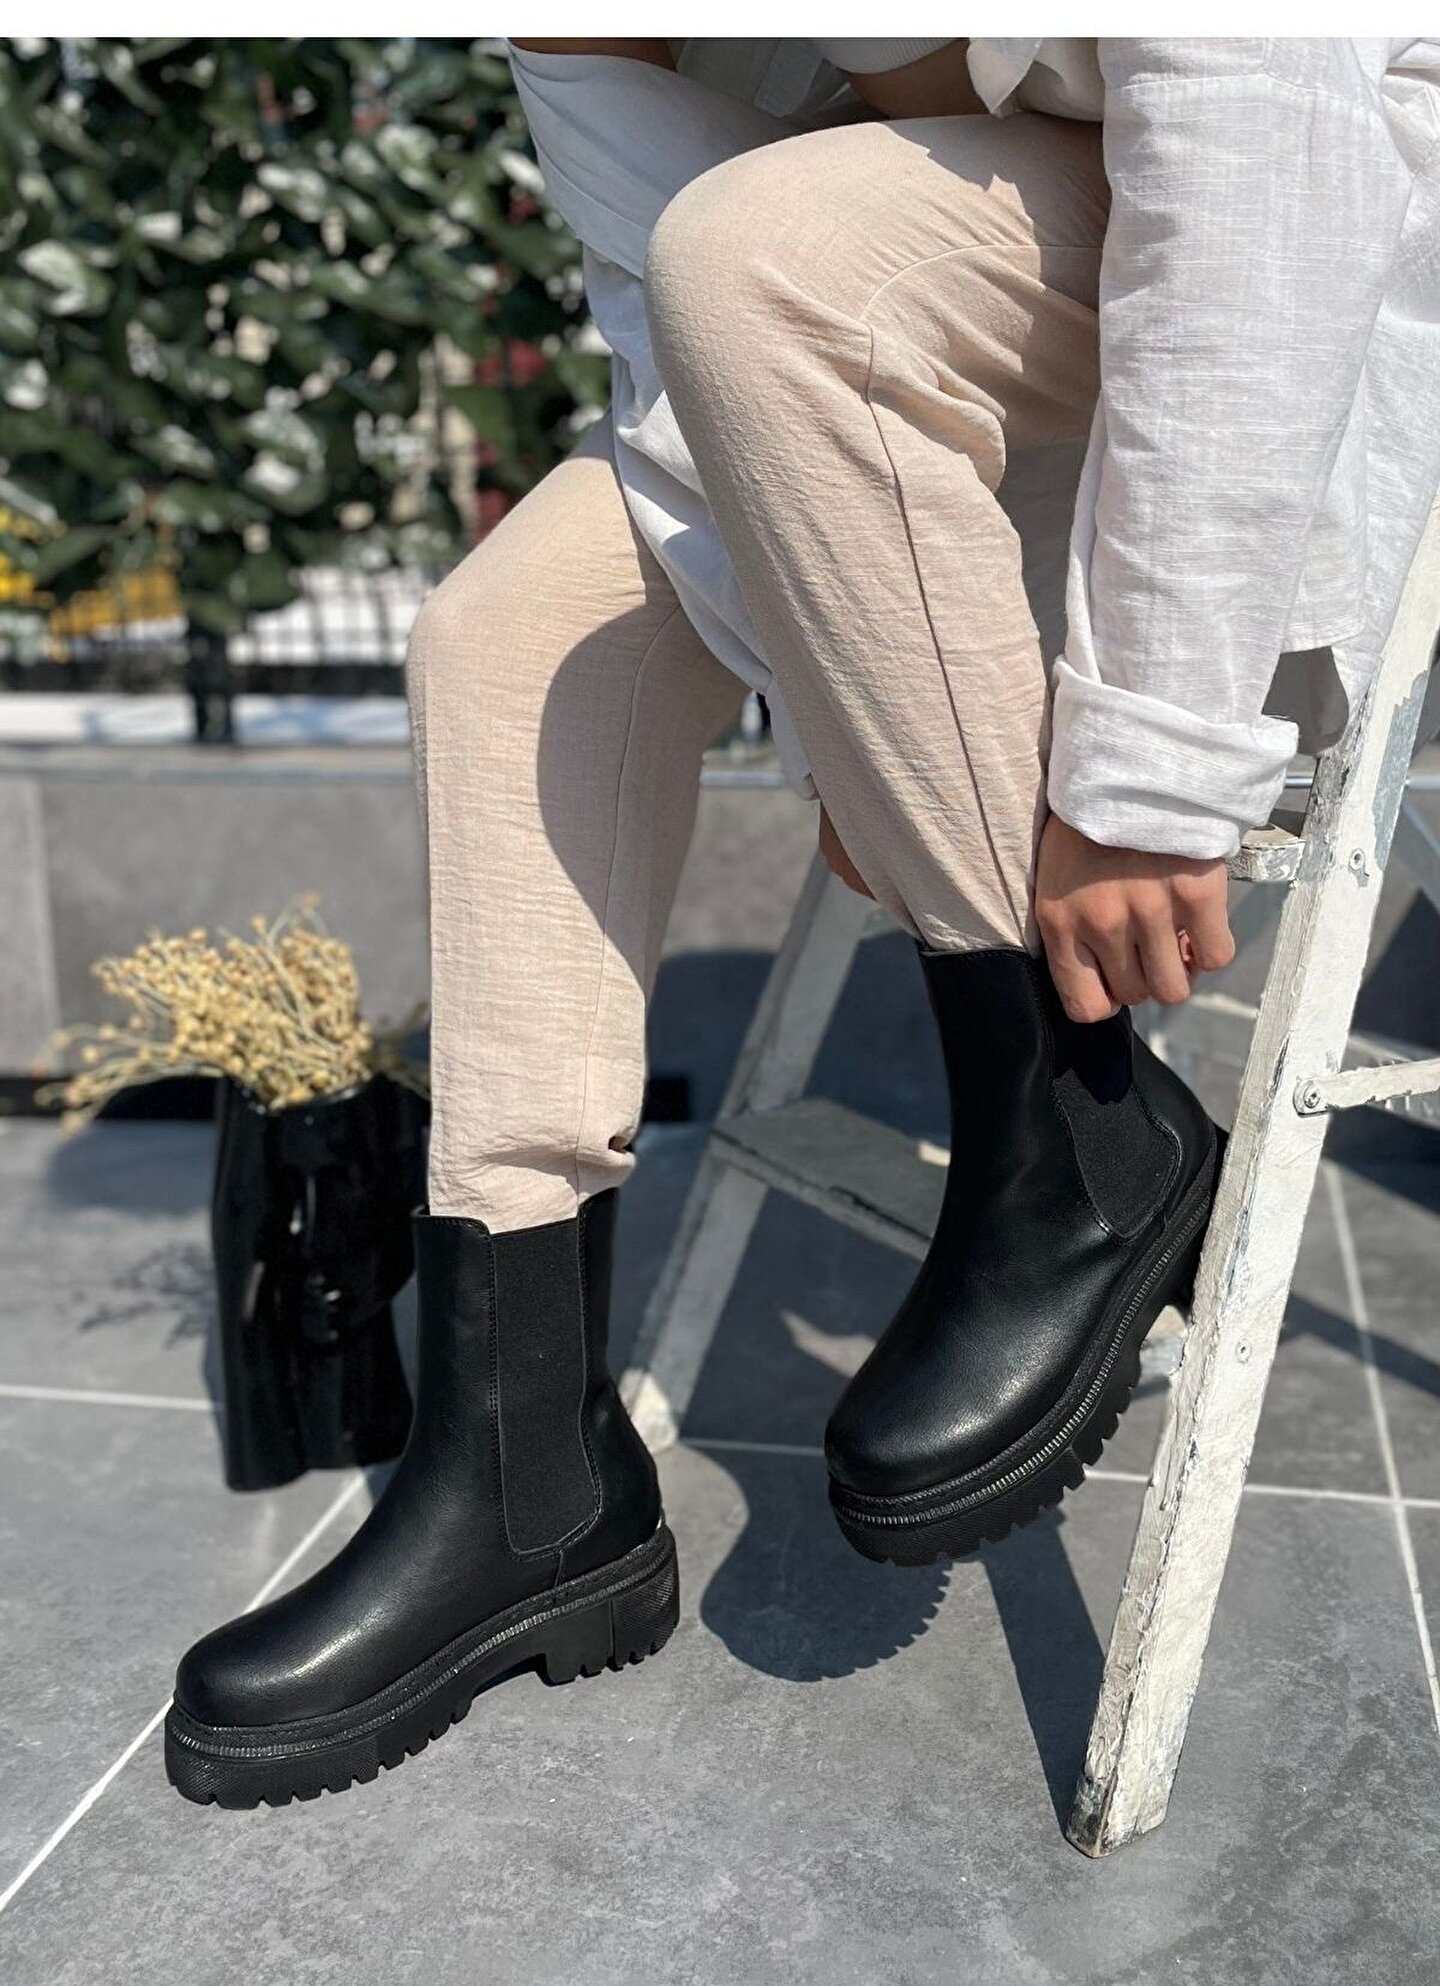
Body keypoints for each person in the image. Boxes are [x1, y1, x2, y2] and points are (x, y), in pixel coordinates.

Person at [165, 37, 1440, 1806]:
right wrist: (842, 686)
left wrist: (1150, 766)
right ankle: (526, 1477)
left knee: (765, 257)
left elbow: (1273, 142)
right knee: (508, 635)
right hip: (928, 338)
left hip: (1313, 234)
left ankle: (1083, 1139)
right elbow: (673, 357)